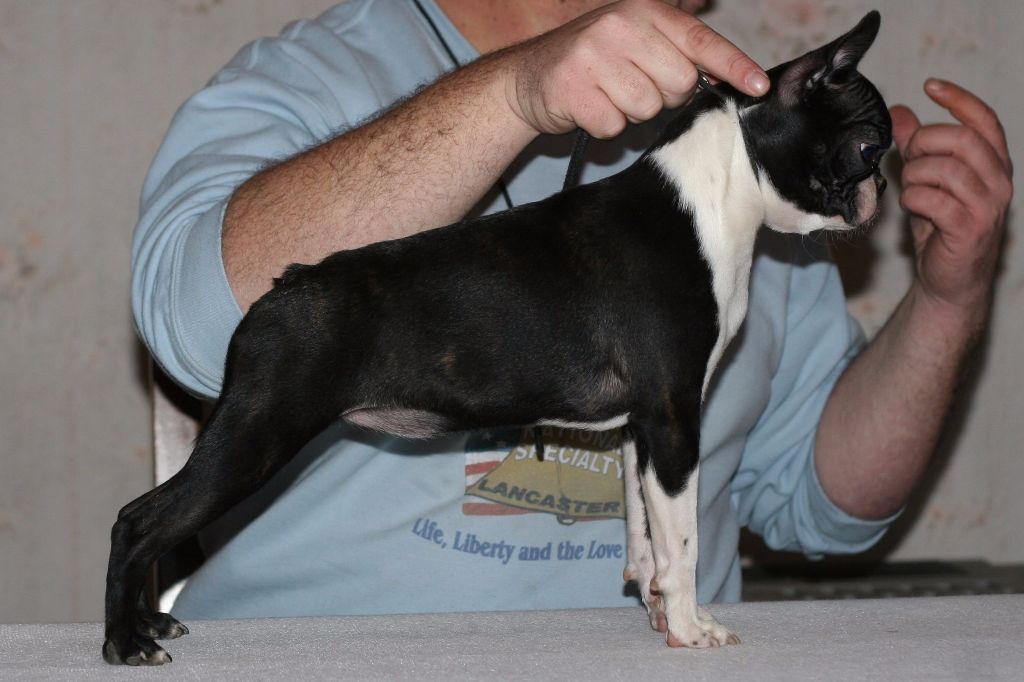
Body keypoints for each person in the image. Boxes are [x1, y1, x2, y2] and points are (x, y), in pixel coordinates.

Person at [131, 0, 1012, 618]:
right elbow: (202, 334)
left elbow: (823, 504)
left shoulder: (752, 135)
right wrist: (514, 92)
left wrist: (947, 300)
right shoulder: (316, 76)